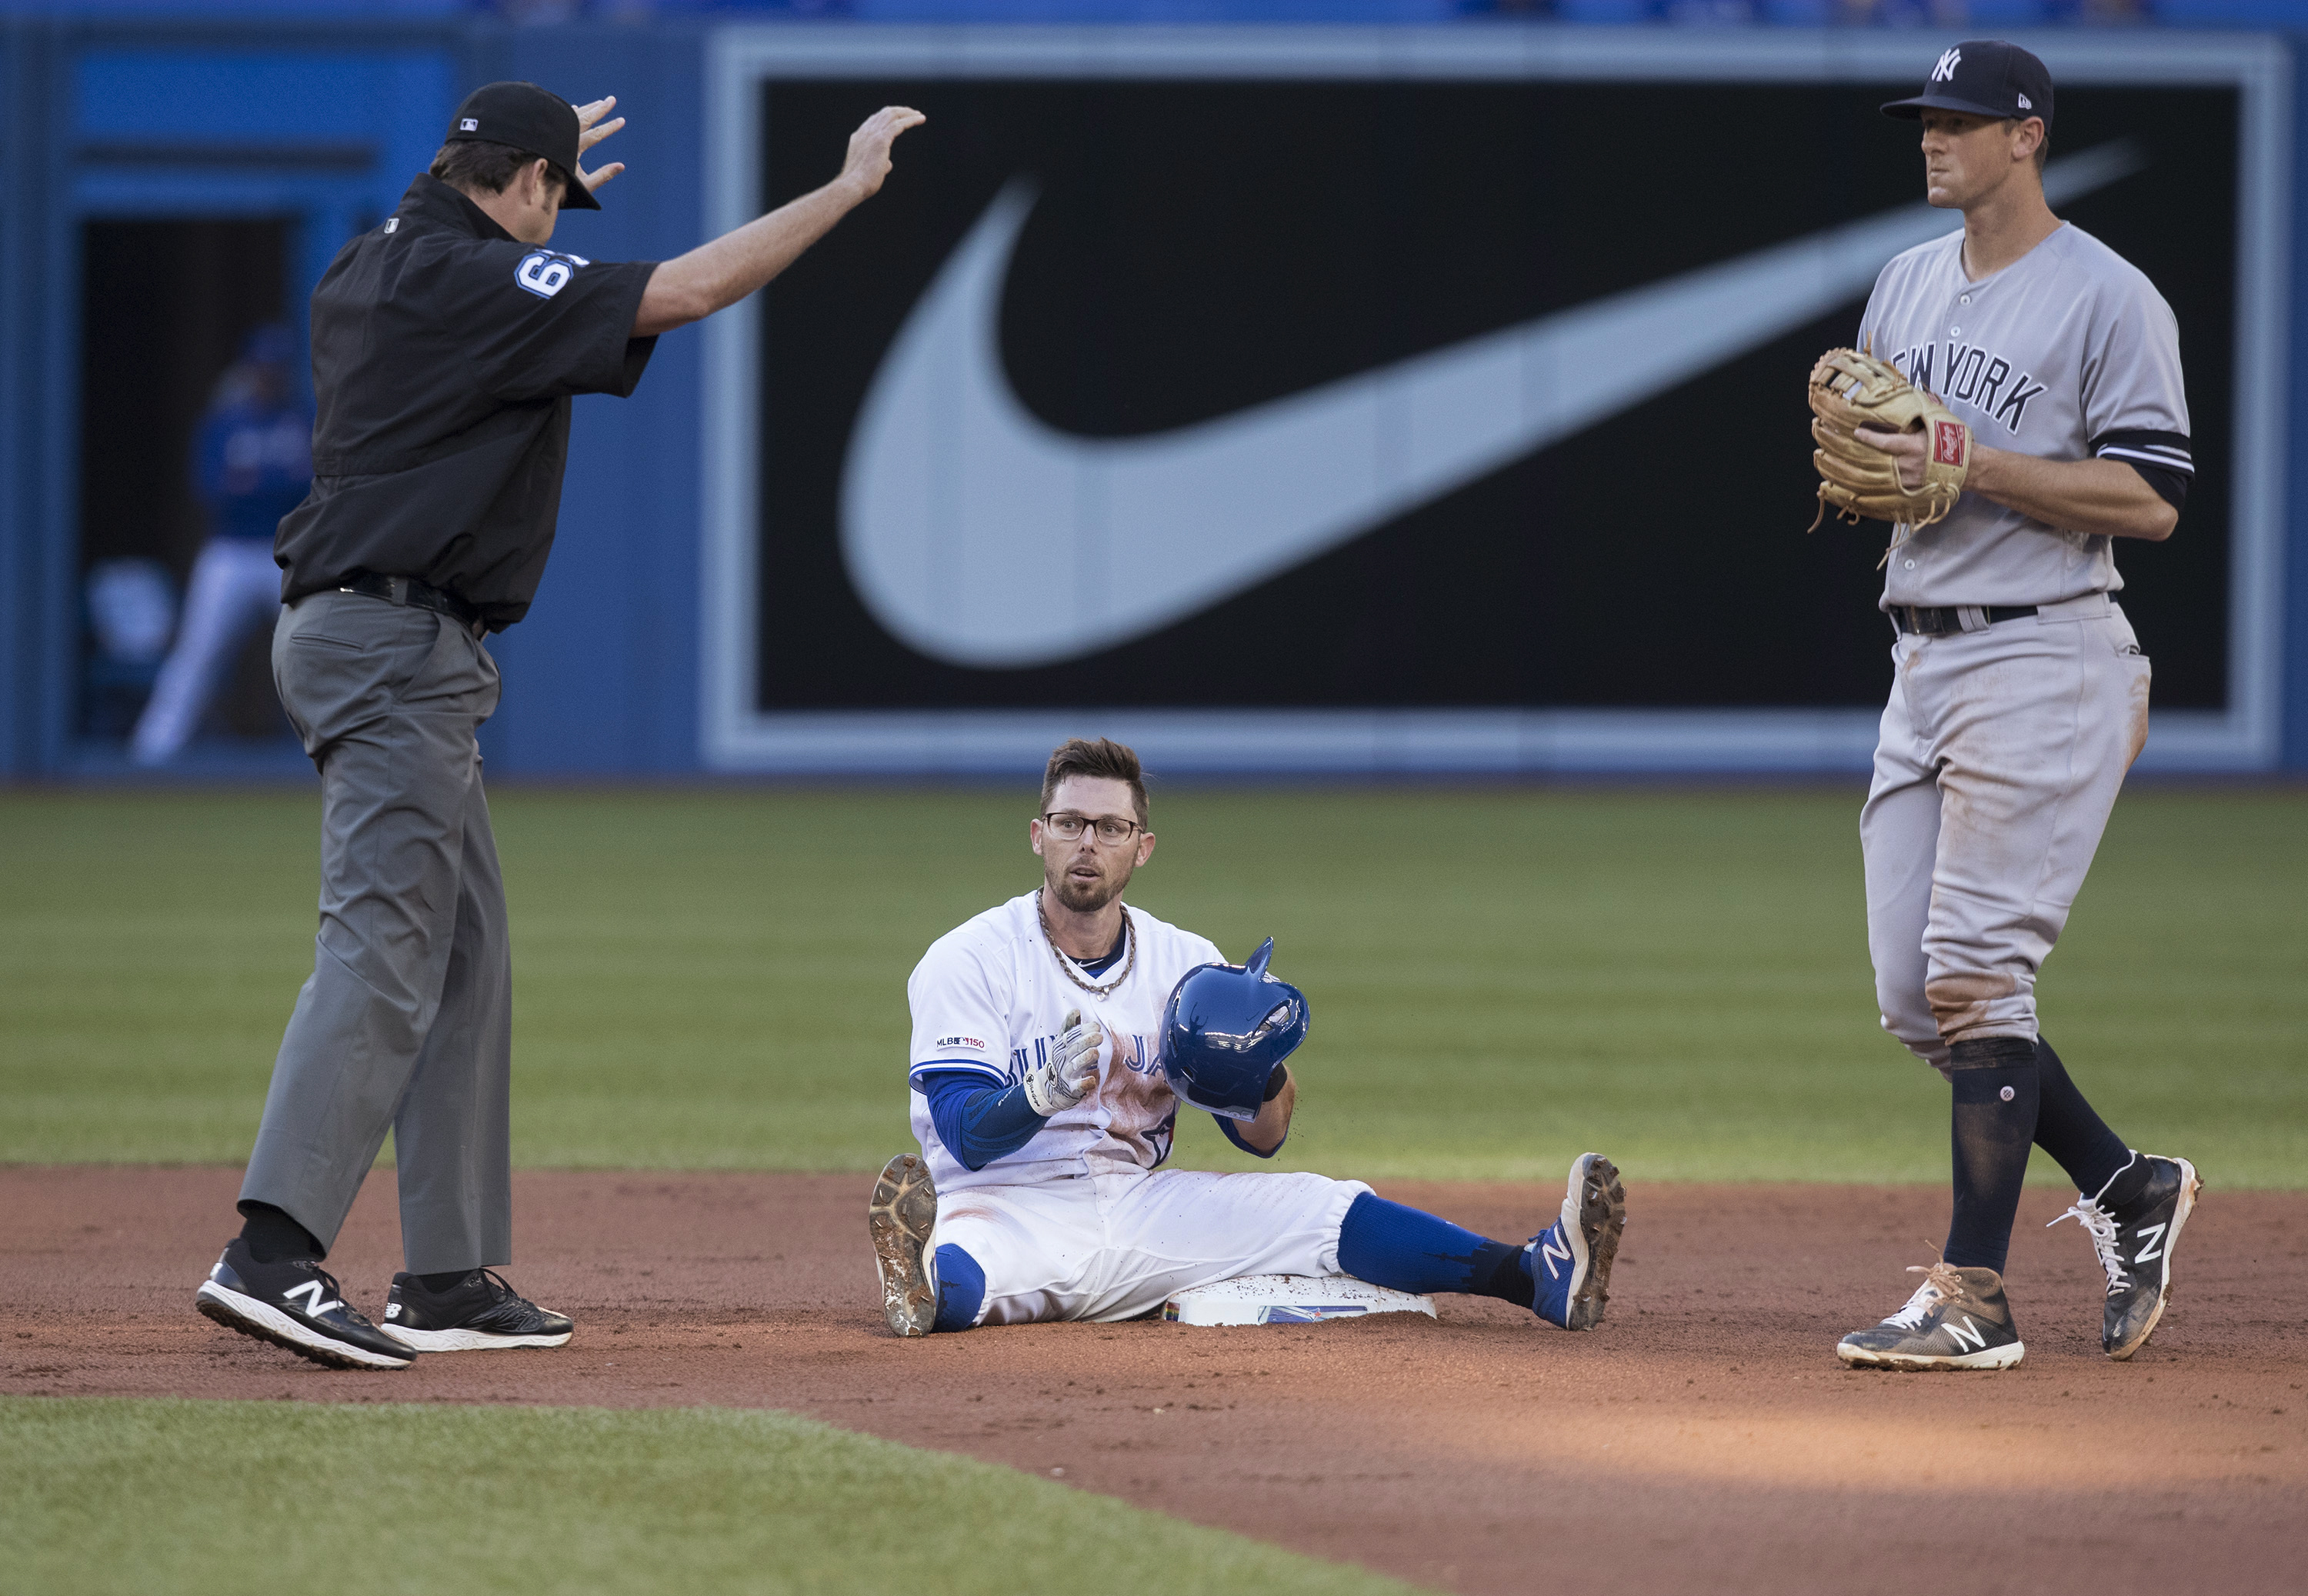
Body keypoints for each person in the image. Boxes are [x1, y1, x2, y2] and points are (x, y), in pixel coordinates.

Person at [195, 81, 926, 1370]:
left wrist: (526, 143)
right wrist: (846, 190)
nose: (557, 221)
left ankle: (444, 1274)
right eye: (555, 195)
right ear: (525, 180)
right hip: (392, 643)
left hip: (372, 631)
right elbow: (686, 290)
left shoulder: (365, 266)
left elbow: (462, 222)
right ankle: (271, 1249)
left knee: (462, 950)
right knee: (384, 949)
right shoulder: (469, 278)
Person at [1828, 42, 2199, 1372]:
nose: (1935, 136)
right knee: (1915, 996)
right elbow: (1900, 468)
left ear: (2028, 135)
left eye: (1962, 119)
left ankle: (1973, 1293)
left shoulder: (2109, 296)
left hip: (2047, 650)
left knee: (1979, 969)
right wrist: (1888, 472)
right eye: (1926, 118)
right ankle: (2126, 1184)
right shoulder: (1904, 282)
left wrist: (1970, 461)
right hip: (1922, 657)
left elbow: (2150, 496)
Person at [867, 736, 1627, 1338]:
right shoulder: (970, 958)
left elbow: (1265, 1139)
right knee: (968, 1267)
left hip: (1142, 1203)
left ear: (1142, 845)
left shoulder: (1187, 962)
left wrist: (1258, 1072)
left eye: (1110, 827)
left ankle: (1536, 1273)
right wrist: (1038, 1094)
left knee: (1320, 1207)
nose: (1087, 842)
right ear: (1039, 836)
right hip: (1005, 1203)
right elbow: (963, 1135)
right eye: (1070, 823)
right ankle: (922, 1280)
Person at [130, 325, 314, 765]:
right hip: (229, 553)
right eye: (264, 368)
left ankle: (330, 750)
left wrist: (252, 482)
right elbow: (211, 488)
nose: (270, 376)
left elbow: (311, 488)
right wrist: (275, 484)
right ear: (250, 370)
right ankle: (152, 754)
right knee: (197, 653)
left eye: (277, 368)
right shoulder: (225, 422)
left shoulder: (300, 419)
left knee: (309, 652)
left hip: (284, 552)